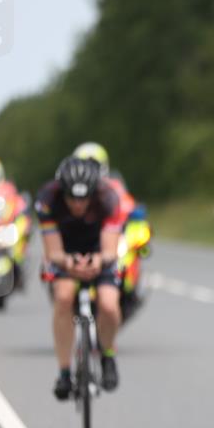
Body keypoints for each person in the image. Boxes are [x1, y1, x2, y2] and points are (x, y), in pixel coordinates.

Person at [36, 157, 124, 399]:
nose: (77, 204)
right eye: (71, 198)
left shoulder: (109, 198)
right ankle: (64, 372)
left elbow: (110, 250)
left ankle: (108, 355)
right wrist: (69, 263)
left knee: (108, 304)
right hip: (64, 251)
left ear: (93, 193)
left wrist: (98, 261)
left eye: (83, 198)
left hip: (98, 250)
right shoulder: (47, 199)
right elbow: (52, 251)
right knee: (63, 298)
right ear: (62, 191)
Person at [71, 142, 150, 322]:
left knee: (127, 258)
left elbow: (128, 205)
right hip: (82, 245)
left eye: (94, 166)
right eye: (85, 166)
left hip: (109, 243)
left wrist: (135, 215)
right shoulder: (71, 190)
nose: (90, 172)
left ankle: (131, 289)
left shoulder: (114, 187)